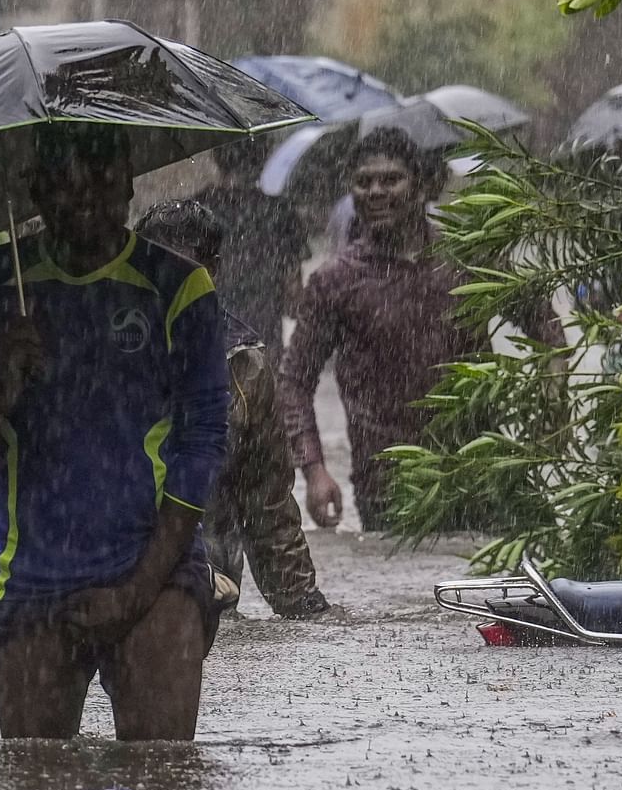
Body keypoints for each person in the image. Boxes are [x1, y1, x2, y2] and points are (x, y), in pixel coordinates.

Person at [0, 122, 229, 742]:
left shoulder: (178, 287)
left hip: (155, 575)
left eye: (101, 180)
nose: (85, 199)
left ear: (128, 182)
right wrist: (3, 387)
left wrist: (137, 590)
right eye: (64, 185)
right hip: (32, 579)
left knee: (163, 785)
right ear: (35, 190)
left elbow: (201, 449)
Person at [278, 128, 554, 531]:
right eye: (364, 181)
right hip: (389, 484)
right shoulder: (334, 282)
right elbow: (293, 381)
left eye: (390, 179)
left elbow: (542, 320)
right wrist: (314, 471)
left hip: (480, 471)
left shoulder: (466, 257)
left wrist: (553, 396)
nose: (375, 191)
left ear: (421, 186)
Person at [134, 199, 331, 620]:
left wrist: (305, 608)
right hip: (114, 585)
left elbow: (268, 504)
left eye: (182, 269)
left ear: (213, 270)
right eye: (154, 266)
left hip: (207, 597)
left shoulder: (244, 365)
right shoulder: (100, 349)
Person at [190, 136, 310, 365]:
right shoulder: (279, 213)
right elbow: (294, 301)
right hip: (262, 351)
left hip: (207, 351)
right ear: (264, 156)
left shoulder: (195, 211)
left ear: (216, 156)